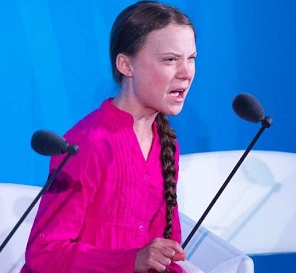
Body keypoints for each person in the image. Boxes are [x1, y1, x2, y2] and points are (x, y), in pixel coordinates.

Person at [21, 1, 196, 272]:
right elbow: (44, 254)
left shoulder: (166, 144)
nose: (186, 73)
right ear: (126, 65)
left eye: (191, 58)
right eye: (170, 59)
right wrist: (131, 260)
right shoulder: (88, 144)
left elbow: (164, 251)